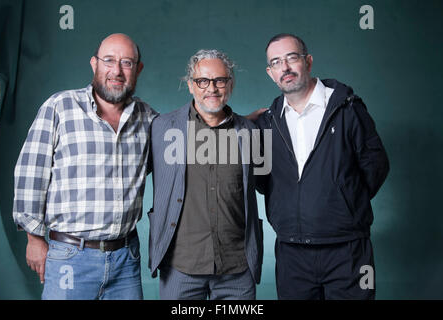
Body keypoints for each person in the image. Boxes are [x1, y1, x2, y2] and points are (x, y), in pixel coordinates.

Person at [12, 33, 158, 300]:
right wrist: (34, 237)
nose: (116, 71)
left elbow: (180, 151)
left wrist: (238, 123)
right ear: (94, 64)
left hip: (126, 258)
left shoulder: (148, 118)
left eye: (126, 63)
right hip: (70, 256)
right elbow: (31, 171)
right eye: (109, 60)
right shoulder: (60, 107)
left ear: (138, 69)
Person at [254, 33, 389, 299]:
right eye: (277, 62)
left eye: (292, 58)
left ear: (308, 61)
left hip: (348, 250)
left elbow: (376, 165)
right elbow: (262, 180)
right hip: (292, 253)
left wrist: (343, 198)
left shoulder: (347, 109)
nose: (286, 68)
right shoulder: (267, 123)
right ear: (270, 73)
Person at [148, 49, 263, 300]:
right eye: (202, 81)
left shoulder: (250, 132)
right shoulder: (161, 128)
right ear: (190, 85)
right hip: (181, 268)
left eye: (220, 80)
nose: (212, 88)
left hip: (236, 270)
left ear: (230, 84)